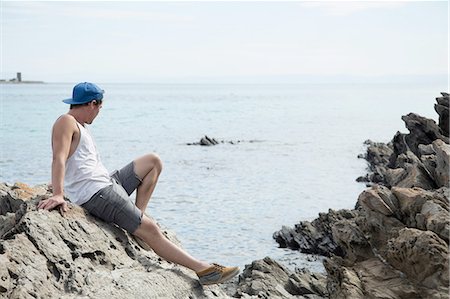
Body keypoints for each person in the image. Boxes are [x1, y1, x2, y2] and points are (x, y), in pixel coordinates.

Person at [37, 82, 239, 285]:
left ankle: (138, 217)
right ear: (92, 103)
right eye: (99, 108)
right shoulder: (66, 121)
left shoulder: (80, 126)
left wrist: (59, 184)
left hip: (107, 182)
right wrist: (58, 193)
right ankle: (204, 270)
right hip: (97, 193)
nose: (98, 113)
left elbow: (74, 162)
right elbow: (59, 158)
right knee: (151, 229)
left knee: (153, 161)